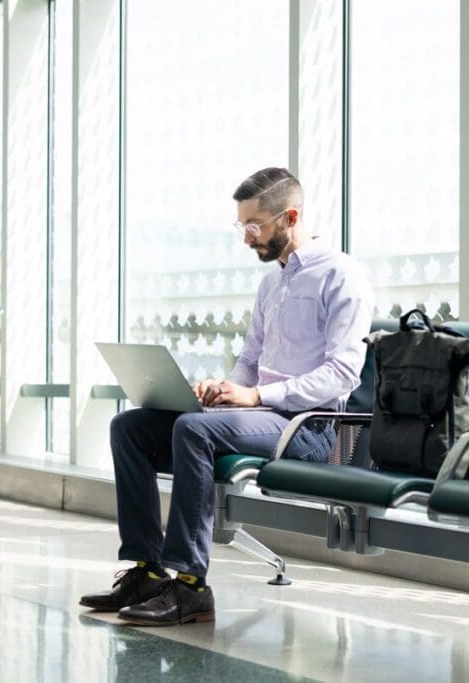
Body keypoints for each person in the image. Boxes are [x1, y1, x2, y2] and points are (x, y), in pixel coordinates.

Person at [79, 167, 374, 626]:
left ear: (290, 217)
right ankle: (146, 571)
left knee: (192, 429)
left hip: (308, 427)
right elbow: (251, 357)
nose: (247, 239)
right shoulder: (272, 282)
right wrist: (226, 388)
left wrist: (255, 395)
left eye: (254, 227)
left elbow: (342, 374)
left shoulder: (341, 276)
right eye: (242, 226)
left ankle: (190, 585)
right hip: (260, 414)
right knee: (130, 427)